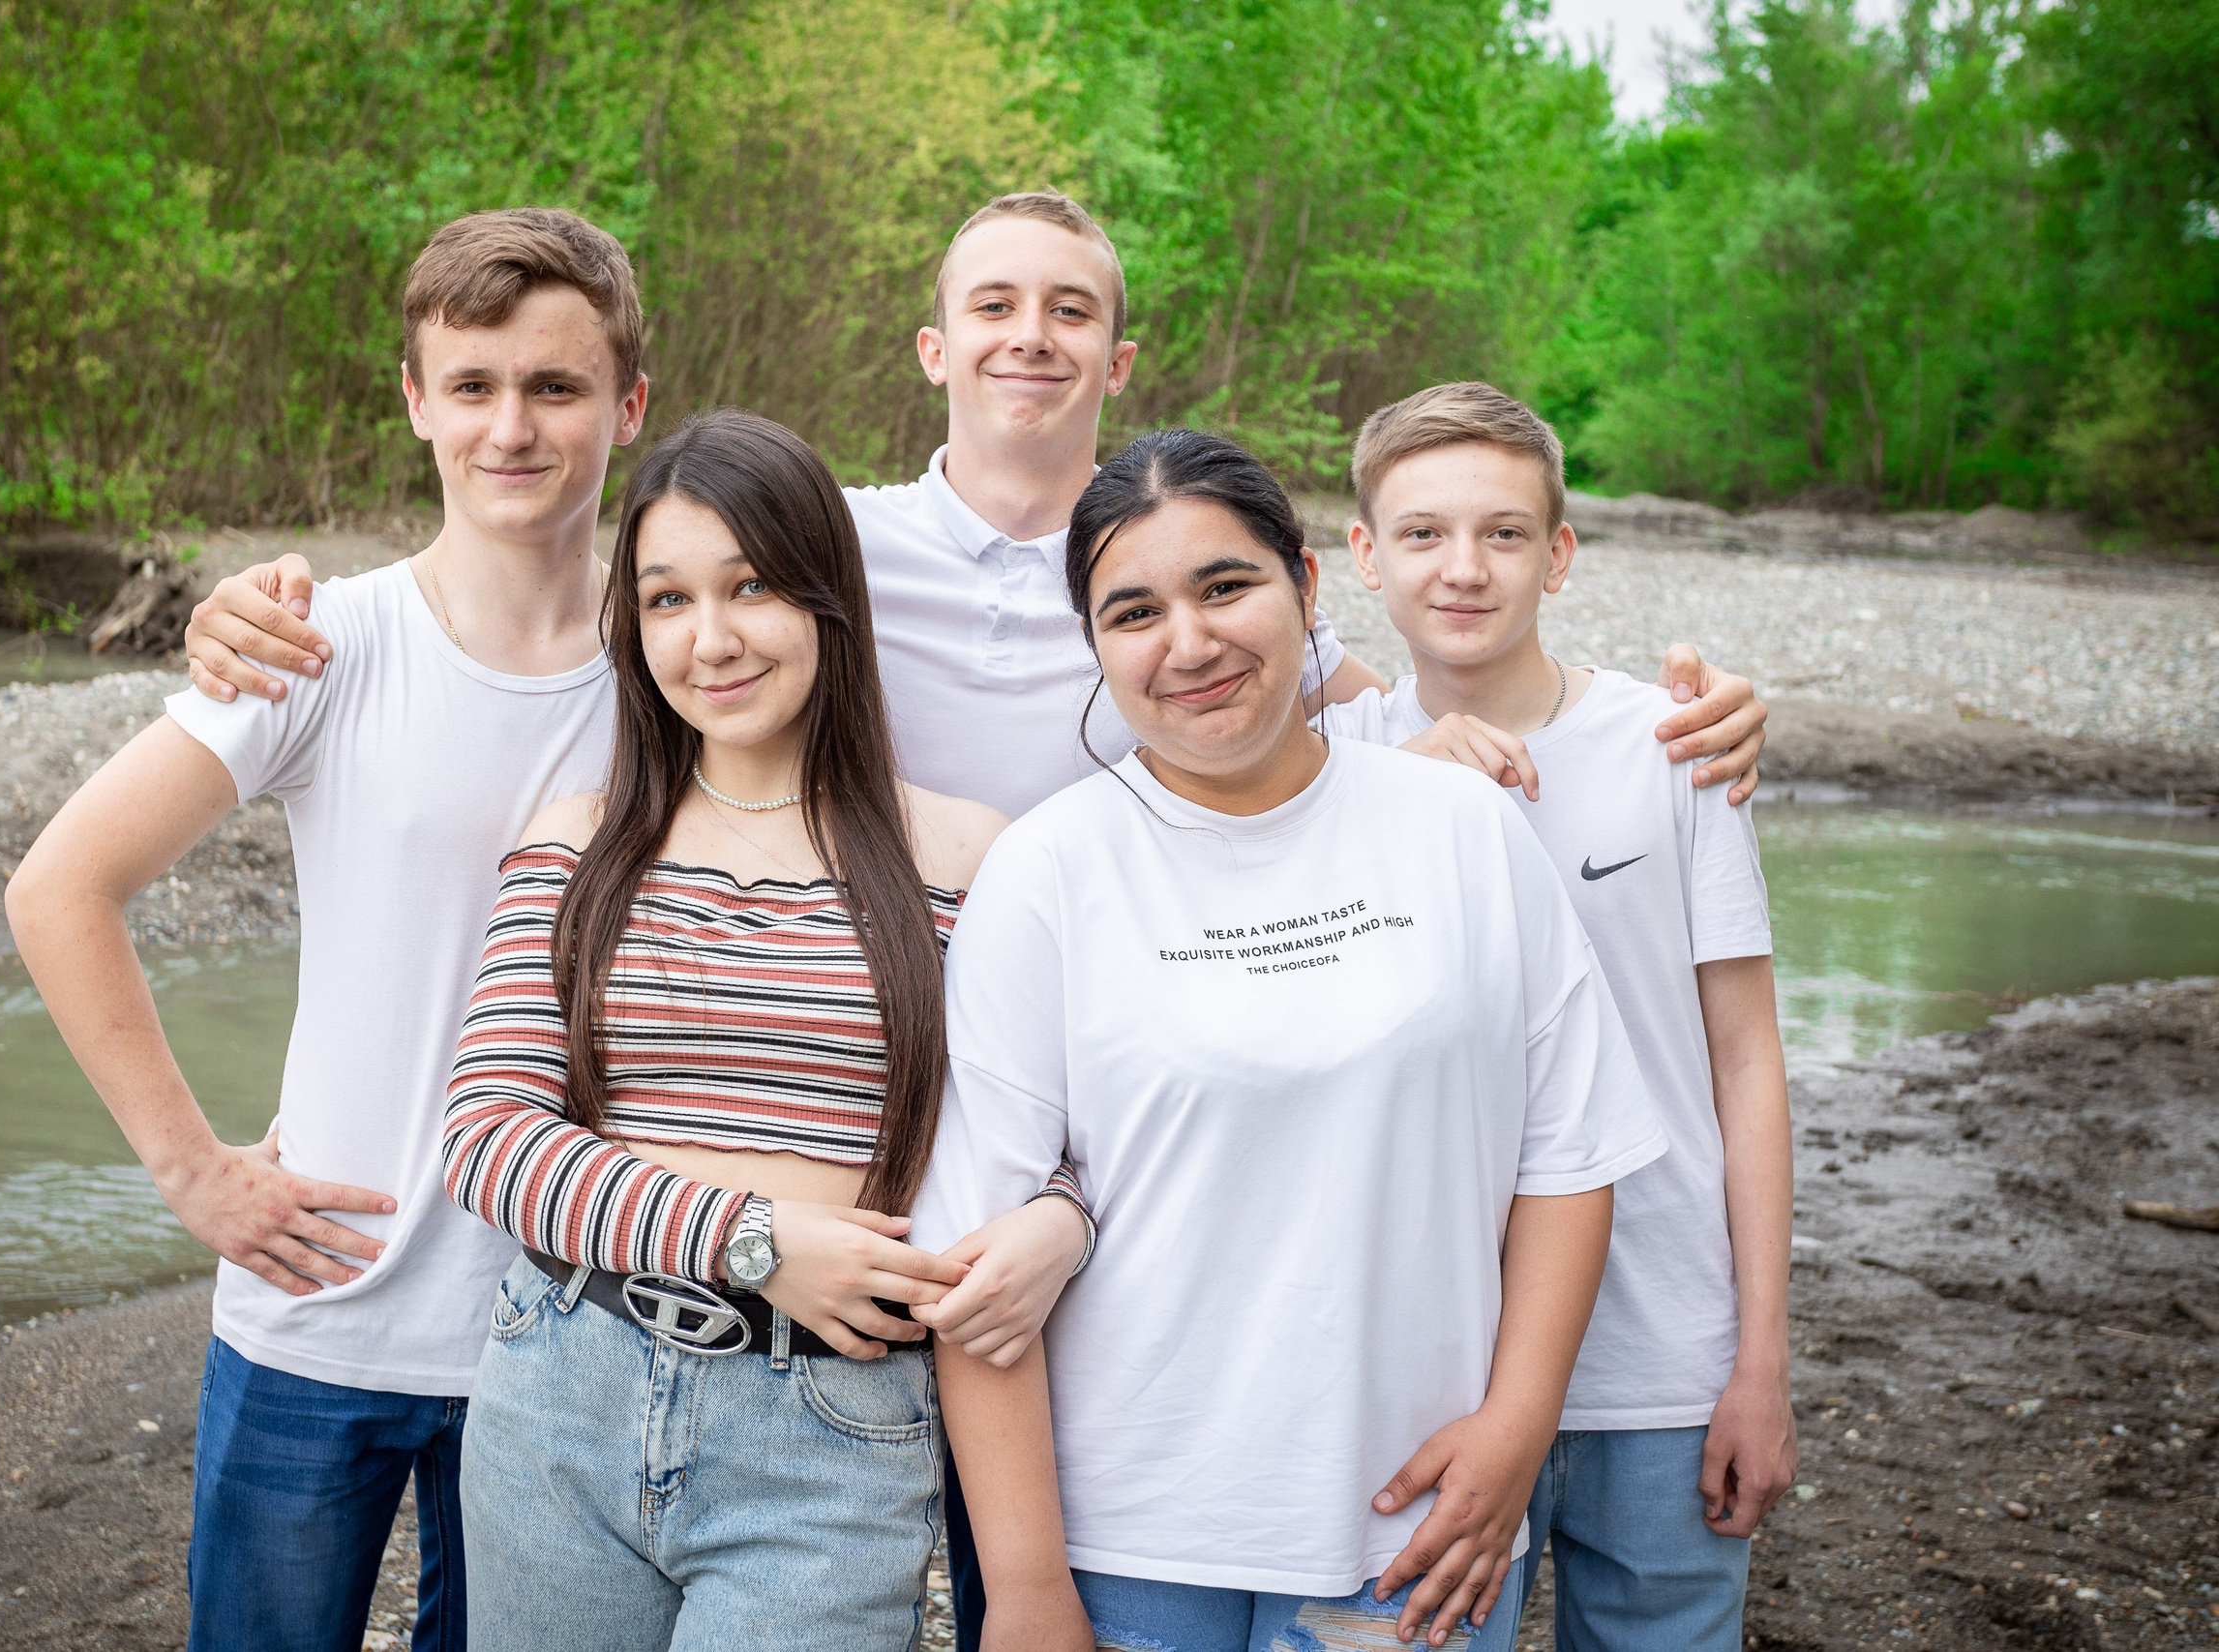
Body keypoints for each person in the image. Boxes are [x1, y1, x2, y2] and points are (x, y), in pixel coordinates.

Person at [174, 189, 1772, 1642]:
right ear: (934, 346)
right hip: (583, 1362)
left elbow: (1294, 725)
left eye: (1070, 308)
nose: (718, 631)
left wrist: (1590, 728)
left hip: (877, 1362)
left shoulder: (1008, 847)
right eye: (674, 600)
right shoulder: (694, 728)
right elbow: (606, 568)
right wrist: (251, 609)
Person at [3, 212, 1083, 1650]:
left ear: (625, 407)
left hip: (558, 1323)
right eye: (471, 386)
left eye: (557, 387)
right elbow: (59, 883)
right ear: (415, 401)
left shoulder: (671, 670)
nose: (511, 426)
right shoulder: (321, 642)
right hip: (332, 1298)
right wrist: (191, 1168)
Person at [914, 428, 1667, 1652]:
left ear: (1306, 587)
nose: (1190, 643)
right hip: (1129, 1544)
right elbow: (975, 1269)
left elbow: (1567, 1158)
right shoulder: (1047, 871)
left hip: (1414, 1526)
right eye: (1133, 611)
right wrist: (1027, 1585)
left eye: (1226, 586)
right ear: (1094, 647)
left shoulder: (1461, 829)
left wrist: (1517, 1430)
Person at [439, 407, 1013, 1647]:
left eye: (750, 586)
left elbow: (1037, 1142)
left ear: (827, 597)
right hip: (564, 1388)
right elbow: (487, 1137)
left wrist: (1059, 1225)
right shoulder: (578, 840)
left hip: (828, 1422)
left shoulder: (966, 856)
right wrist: (750, 1241)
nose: (710, 640)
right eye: (665, 600)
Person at [1321, 382, 1795, 1651]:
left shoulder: (1673, 743)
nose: (1462, 568)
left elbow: (1745, 1063)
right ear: (1364, 555)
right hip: (1432, 1367)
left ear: (1560, 553)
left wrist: (1759, 1362)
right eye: (1421, 533)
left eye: (1505, 532)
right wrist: (1380, 803)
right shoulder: (1327, 769)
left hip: (1661, 1361)